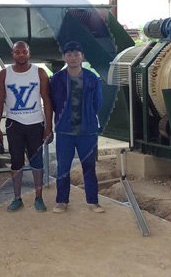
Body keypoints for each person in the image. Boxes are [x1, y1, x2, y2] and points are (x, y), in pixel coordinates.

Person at [0, 41, 53, 212]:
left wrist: (49, 127)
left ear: (29, 53)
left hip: (35, 123)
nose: (21, 55)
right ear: (12, 54)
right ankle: (17, 197)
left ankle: (39, 197)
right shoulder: (4, 74)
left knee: (37, 162)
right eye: (17, 52)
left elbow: (47, 100)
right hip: (14, 123)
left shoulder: (39, 72)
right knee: (16, 162)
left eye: (24, 51)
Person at [49, 41, 105, 214]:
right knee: (63, 167)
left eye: (76, 54)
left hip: (87, 131)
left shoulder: (91, 78)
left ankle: (93, 201)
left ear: (82, 56)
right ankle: (61, 201)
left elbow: (98, 102)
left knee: (89, 166)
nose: (73, 57)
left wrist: (88, 117)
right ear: (64, 57)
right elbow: (51, 102)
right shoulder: (57, 79)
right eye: (69, 54)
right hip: (65, 131)